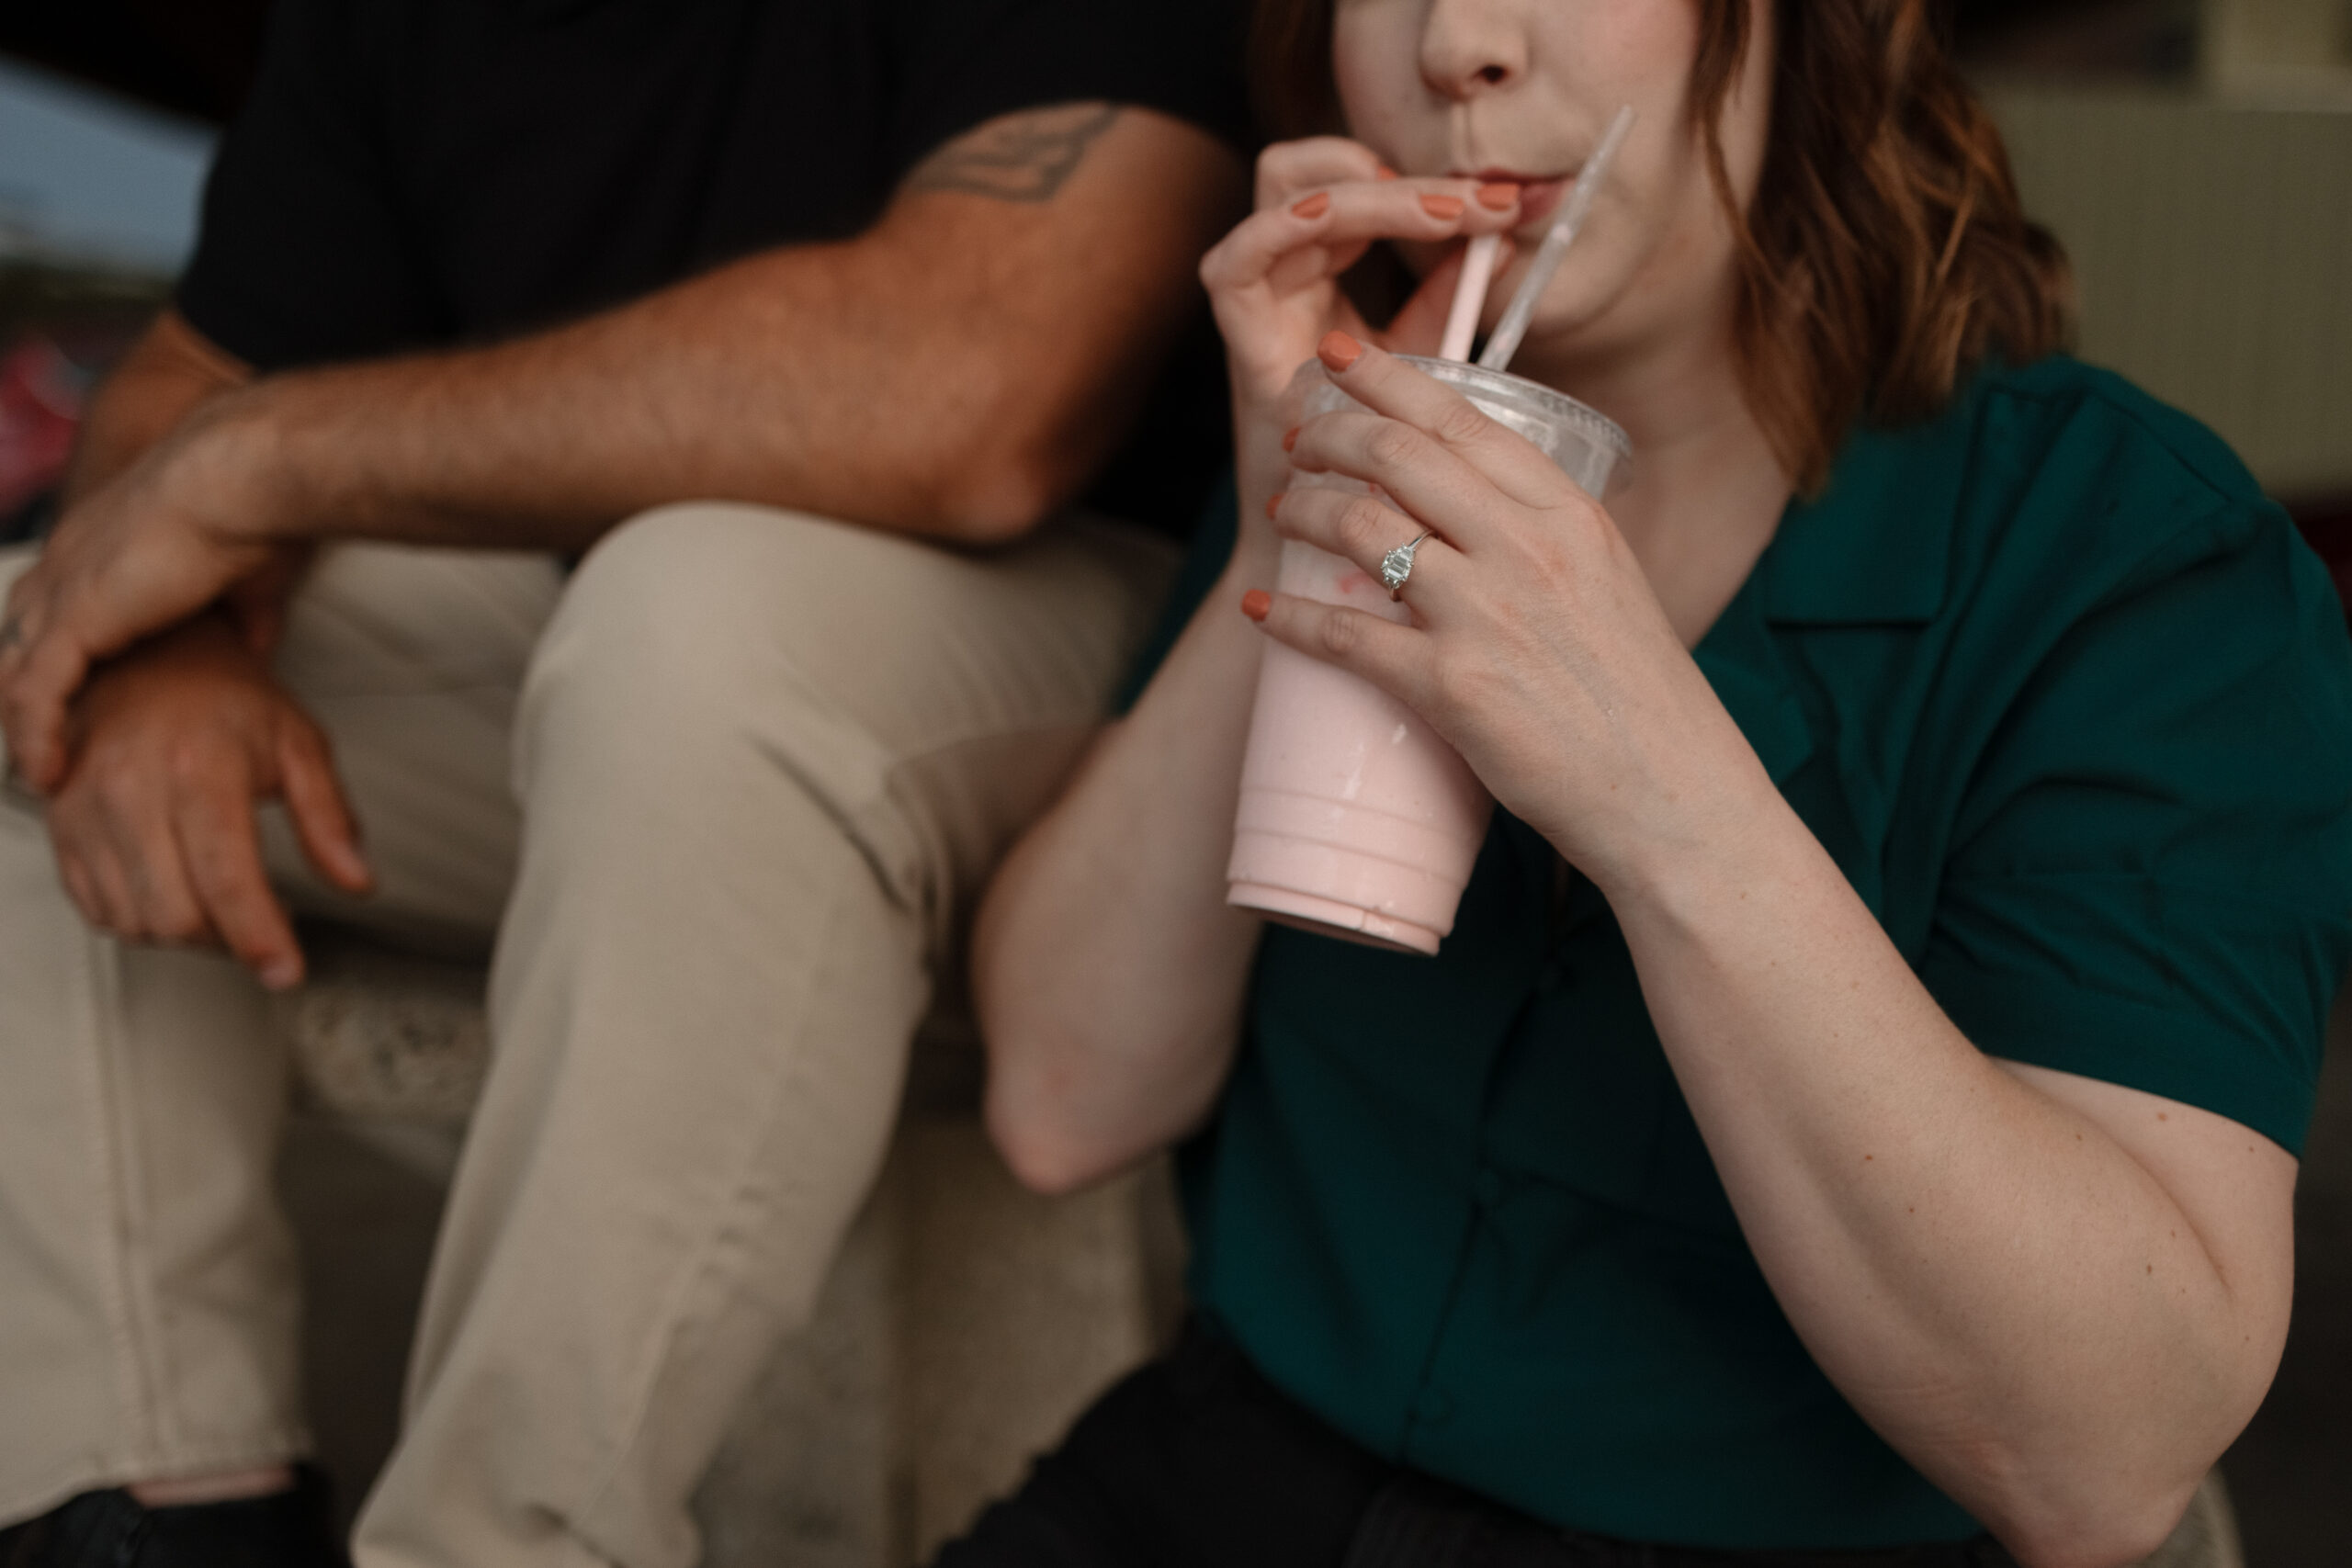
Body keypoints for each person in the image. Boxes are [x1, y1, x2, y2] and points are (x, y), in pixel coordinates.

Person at [960, 1, 2352, 1564]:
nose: (1457, 44)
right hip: (1209, 1491)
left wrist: (1655, 782)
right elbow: (1064, 1099)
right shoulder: (1372, 432)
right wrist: (1296, 505)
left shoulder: (2123, 559)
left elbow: (2103, 1463)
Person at [0, 1, 1252, 1564]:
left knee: (697, 616)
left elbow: (979, 389)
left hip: (1109, 697)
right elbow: (187, 374)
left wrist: (252, 463)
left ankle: (506, 1542)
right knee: (37, 652)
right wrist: (166, 639)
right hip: (609, 668)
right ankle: (156, 1513)